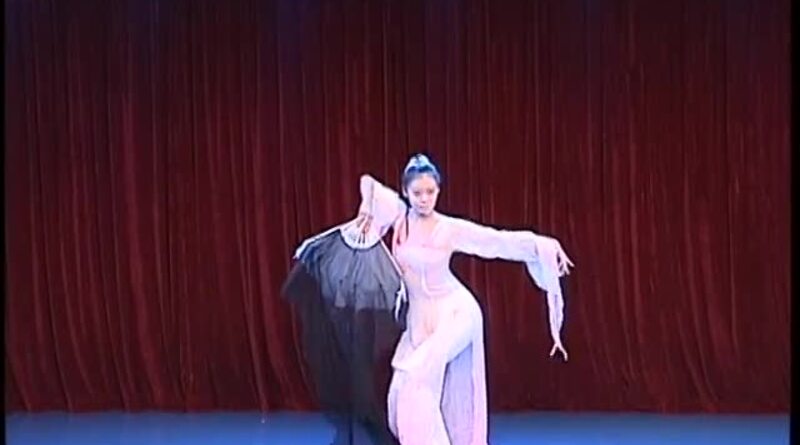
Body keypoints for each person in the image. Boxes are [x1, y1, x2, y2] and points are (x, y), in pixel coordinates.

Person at [381, 154, 573, 445]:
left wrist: (540, 246)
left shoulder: (448, 228)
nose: (424, 199)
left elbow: (495, 241)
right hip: (420, 320)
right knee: (402, 391)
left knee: (420, 375)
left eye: (430, 192)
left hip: (456, 311)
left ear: (438, 191)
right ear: (405, 192)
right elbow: (369, 194)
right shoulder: (398, 223)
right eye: (417, 193)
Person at [281, 169, 410, 445]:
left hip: (371, 279)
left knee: (361, 361)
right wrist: (367, 208)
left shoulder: (399, 209)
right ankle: (360, 417)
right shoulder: (380, 194)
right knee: (353, 359)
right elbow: (366, 180)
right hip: (357, 267)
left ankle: (368, 419)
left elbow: (398, 230)